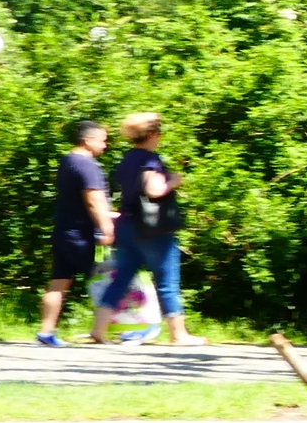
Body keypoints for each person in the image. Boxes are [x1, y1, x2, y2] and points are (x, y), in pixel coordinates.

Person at [89, 112, 203, 347]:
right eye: (159, 133)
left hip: (126, 226)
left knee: (121, 279)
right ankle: (178, 334)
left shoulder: (126, 159)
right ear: (152, 135)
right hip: (152, 230)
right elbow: (154, 190)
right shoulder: (150, 160)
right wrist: (173, 181)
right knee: (167, 280)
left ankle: (99, 330)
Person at [38, 120, 114, 347]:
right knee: (111, 279)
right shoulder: (86, 164)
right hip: (82, 234)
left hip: (64, 230)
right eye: (103, 140)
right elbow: (94, 200)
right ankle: (108, 330)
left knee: (59, 281)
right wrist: (106, 227)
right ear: (88, 140)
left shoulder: (67, 161)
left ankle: (46, 331)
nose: (105, 145)